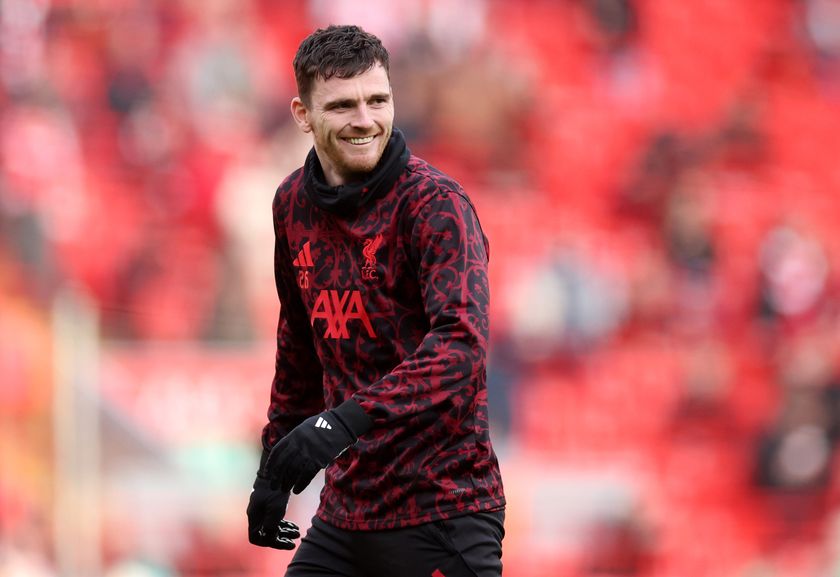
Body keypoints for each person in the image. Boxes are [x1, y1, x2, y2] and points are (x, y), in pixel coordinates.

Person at [246, 24, 506, 577]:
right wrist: (272, 470)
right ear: (302, 114)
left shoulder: (435, 205)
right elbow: (299, 347)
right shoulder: (291, 203)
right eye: (342, 105)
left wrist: (341, 424)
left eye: (378, 100)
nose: (365, 120)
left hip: (444, 511)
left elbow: (461, 347)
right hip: (346, 517)